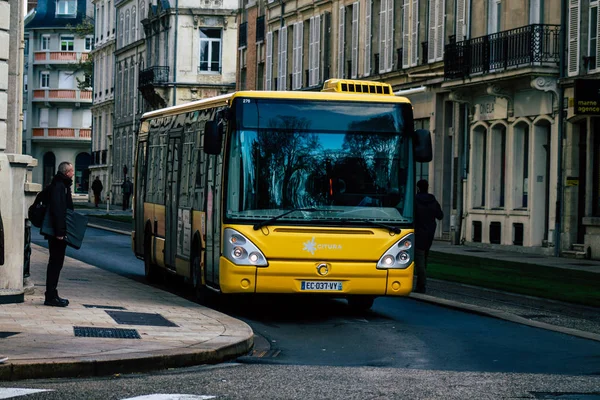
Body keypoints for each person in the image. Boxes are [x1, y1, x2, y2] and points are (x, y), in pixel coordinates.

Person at [44, 161, 75, 307]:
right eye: (71, 171)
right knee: (55, 263)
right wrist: (60, 232)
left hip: (58, 231)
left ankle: (52, 293)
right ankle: (50, 295)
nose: (73, 173)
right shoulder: (59, 186)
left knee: (57, 263)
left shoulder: (62, 185)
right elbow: (58, 210)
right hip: (57, 233)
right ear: (66, 172)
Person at [414, 179, 443, 294]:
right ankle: (420, 284)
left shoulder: (415, 200)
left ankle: (421, 285)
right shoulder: (432, 200)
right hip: (429, 234)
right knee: (423, 258)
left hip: (418, 233)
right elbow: (440, 215)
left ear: (418, 188)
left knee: (419, 260)